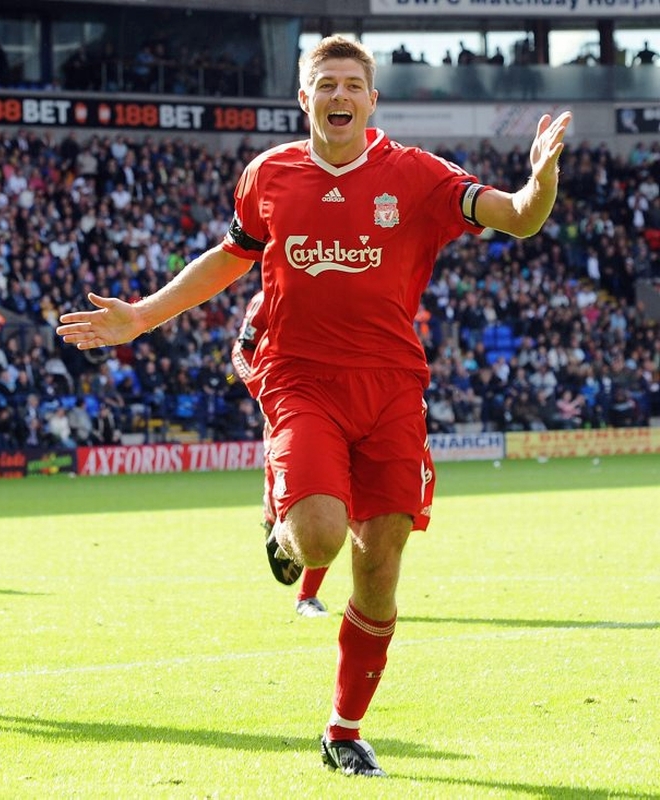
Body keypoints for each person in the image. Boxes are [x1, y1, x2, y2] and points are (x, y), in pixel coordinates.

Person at [57, 36, 571, 777]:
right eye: (326, 83)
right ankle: (283, 520)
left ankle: (344, 729)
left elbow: (519, 216)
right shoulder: (268, 175)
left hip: (393, 388)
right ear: (304, 98)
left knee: (380, 565)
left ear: (372, 100)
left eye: (352, 85)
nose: (339, 95)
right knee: (322, 538)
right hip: (301, 380)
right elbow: (229, 258)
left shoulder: (418, 175)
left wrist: (540, 180)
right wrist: (142, 315)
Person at [232, 290, 329, 619]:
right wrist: (262, 389)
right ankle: (276, 522)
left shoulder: (341, 288)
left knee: (341, 501)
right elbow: (242, 351)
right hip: (289, 412)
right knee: (290, 502)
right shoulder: (268, 300)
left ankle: (308, 596)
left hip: (340, 407)